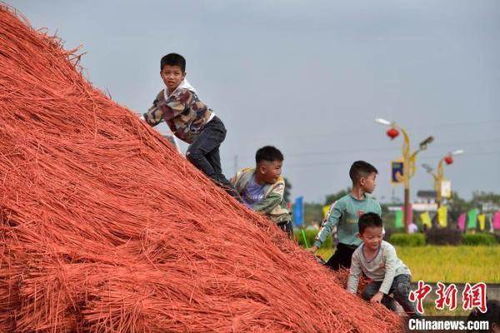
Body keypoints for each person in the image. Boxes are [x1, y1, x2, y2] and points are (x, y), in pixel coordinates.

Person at [142, 53, 238, 198]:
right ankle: (237, 203)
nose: (171, 77)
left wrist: (139, 120)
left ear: (183, 75)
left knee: (193, 154)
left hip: (212, 128)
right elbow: (153, 111)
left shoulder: (185, 94)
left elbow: (163, 112)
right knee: (216, 172)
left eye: (176, 73)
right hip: (203, 135)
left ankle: (213, 184)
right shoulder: (163, 95)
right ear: (161, 74)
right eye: (167, 73)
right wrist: (140, 121)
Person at [307, 161, 381, 270]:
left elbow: (379, 233)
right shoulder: (342, 204)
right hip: (345, 253)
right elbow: (328, 225)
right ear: (362, 181)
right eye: (373, 179)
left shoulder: (375, 206)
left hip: (367, 255)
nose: (375, 183)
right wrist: (315, 247)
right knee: (325, 275)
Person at [347, 213, 417, 317]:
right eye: (370, 237)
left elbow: (390, 272)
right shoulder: (357, 255)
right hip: (380, 280)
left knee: (400, 290)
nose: (375, 240)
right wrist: (350, 296)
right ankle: (393, 307)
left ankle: (416, 316)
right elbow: (354, 275)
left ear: (382, 234)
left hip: (398, 274)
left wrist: (380, 293)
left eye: (379, 236)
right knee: (367, 293)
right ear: (360, 236)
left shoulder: (387, 249)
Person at [231, 146, 293, 237]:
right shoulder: (243, 175)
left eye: (280, 168)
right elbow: (228, 191)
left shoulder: (279, 183)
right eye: (277, 168)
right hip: (247, 221)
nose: (279, 172)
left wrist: (243, 214)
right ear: (263, 169)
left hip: (276, 223)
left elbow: (265, 206)